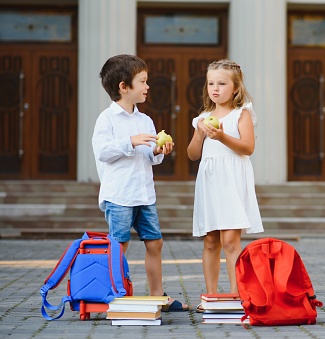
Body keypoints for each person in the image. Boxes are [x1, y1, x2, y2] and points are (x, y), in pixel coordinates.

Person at [92, 54, 188, 312]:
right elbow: (102, 152)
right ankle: (113, 294)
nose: (147, 87)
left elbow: (149, 158)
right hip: (119, 195)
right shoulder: (107, 119)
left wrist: (158, 151)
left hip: (144, 194)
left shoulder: (145, 120)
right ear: (124, 87)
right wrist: (130, 141)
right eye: (142, 82)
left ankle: (158, 294)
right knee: (119, 244)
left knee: (155, 242)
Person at [187, 59, 264, 311]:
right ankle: (210, 296)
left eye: (222, 83)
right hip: (210, 182)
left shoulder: (241, 114)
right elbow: (192, 154)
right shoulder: (203, 118)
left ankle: (235, 295)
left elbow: (248, 147)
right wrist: (199, 133)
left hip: (231, 181)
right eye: (211, 83)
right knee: (210, 241)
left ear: (235, 88)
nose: (215, 88)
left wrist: (221, 136)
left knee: (230, 240)